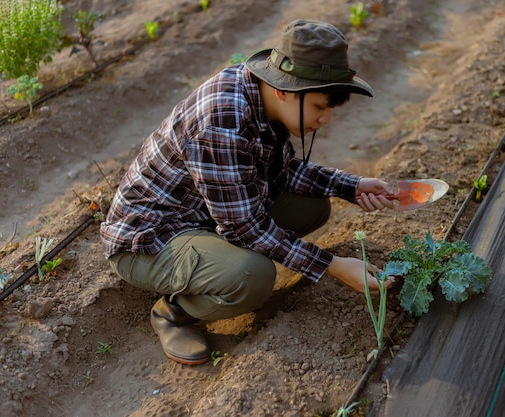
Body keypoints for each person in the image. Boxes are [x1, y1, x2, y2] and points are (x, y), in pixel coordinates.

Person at [100, 19, 395, 365]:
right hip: (151, 237)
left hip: (207, 214)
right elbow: (245, 227)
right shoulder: (222, 121)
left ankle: (216, 262)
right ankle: (173, 312)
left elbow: (281, 174)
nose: (326, 119)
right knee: (253, 276)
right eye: (319, 107)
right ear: (285, 89)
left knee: (314, 207)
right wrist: (331, 265)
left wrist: (352, 186)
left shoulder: (263, 97)